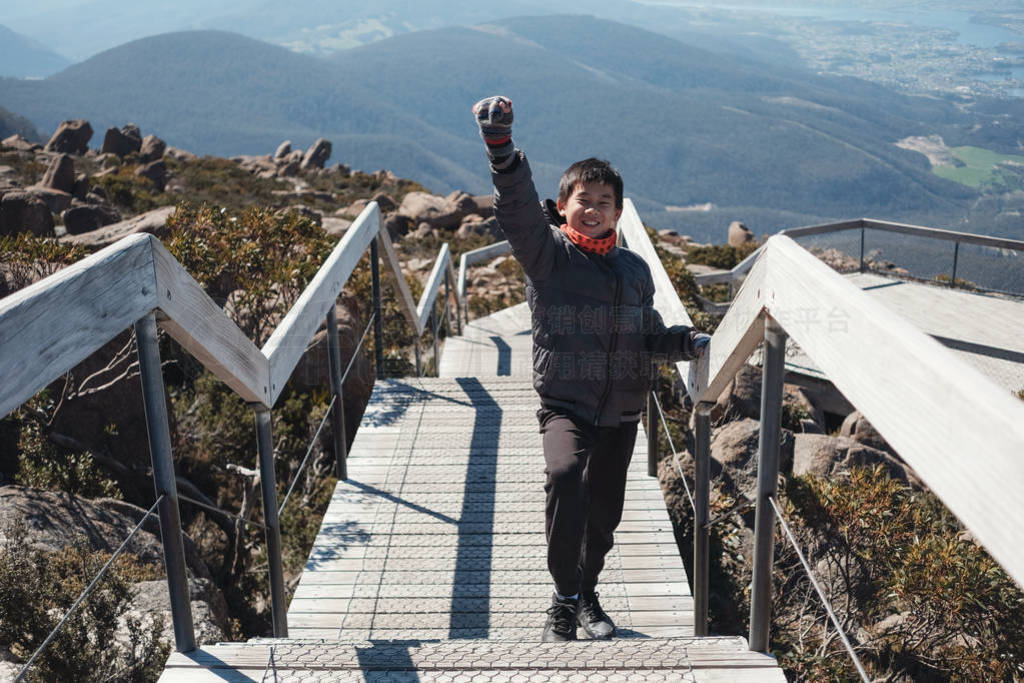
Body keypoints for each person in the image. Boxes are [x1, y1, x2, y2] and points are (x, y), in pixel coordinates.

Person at [472, 95, 710, 642]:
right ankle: (563, 596)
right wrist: (502, 150)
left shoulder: (634, 269)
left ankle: (587, 592)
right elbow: (516, 213)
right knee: (563, 478)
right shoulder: (548, 257)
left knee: (603, 514)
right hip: (565, 405)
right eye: (584, 199)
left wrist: (688, 341)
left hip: (623, 412)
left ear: (619, 212)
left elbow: (648, 333)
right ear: (562, 205)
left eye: (605, 200)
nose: (594, 208)